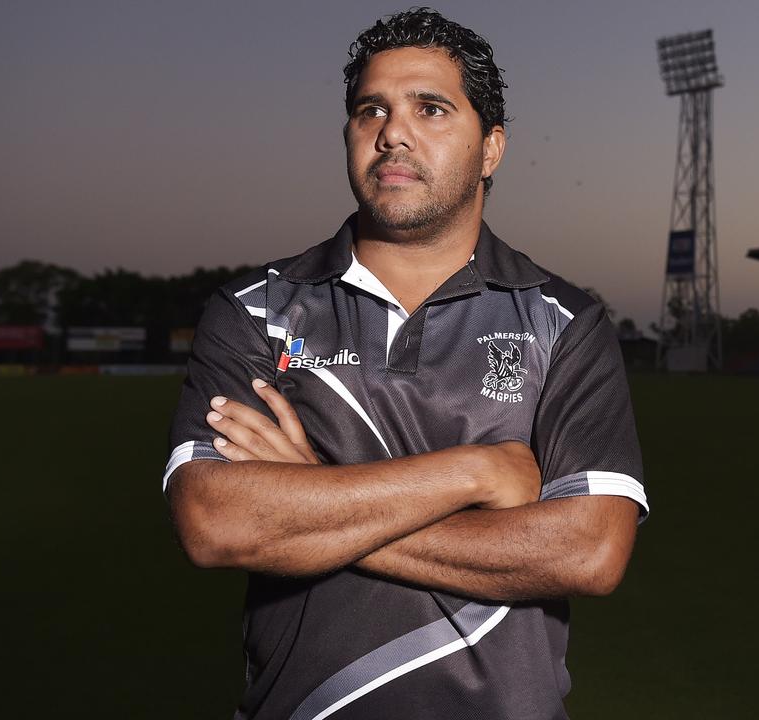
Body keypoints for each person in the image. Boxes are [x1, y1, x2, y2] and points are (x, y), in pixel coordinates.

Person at [163, 8, 648, 719]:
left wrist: (308, 501)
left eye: (431, 108)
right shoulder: (256, 310)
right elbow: (216, 522)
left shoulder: (564, 323)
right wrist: (475, 472)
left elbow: (588, 552)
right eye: (371, 110)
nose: (393, 131)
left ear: (491, 148)